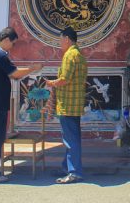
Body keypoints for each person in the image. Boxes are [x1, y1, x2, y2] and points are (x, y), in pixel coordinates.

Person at [0, 27, 42, 183]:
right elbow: (14, 73)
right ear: (6, 39)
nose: (12, 47)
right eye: (13, 43)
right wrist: (32, 68)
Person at [45, 27, 88, 183]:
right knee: (72, 138)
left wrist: (51, 83)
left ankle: (74, 172)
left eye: (61, 39)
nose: (60, 43)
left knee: (71, 140)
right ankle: (66, 167)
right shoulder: (80, 55)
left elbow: (65, 79)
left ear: (67, 39)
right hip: (75, 104)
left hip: (67, 104)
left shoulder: (69, 55)